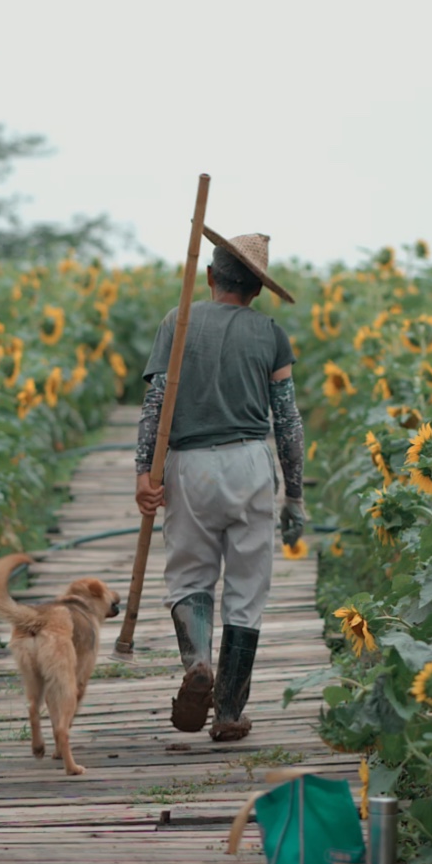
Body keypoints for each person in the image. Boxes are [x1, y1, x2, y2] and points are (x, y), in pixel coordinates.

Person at [134, 233, 304, 742]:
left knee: (190, 578)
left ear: (211, 277)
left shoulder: (177, 322)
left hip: (189, 466)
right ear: (258, 289)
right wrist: (294, 495)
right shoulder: (271, 334)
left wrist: (145, 471)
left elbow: (156, 403)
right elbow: (288, 420)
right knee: (247, 591)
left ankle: (198, 663)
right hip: (251, 463)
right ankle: (229, 709)